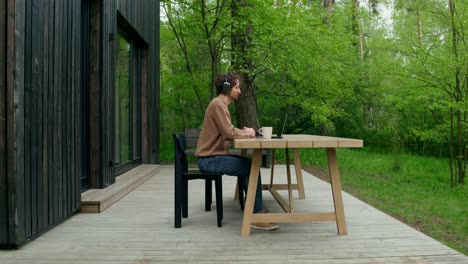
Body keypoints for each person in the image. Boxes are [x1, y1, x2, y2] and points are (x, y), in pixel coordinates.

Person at [195, 72, 279, 231]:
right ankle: (256, 215)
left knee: (249, 165)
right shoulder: (218, 105)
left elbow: (229, 130)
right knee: (250, 167)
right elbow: (229, 133)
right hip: (209, 160)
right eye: (237, 87)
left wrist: (243, 131)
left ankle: (255, 210)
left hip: (212, 157)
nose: (240, 91)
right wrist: (248, 133)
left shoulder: (219, 105)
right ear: (227, 88)